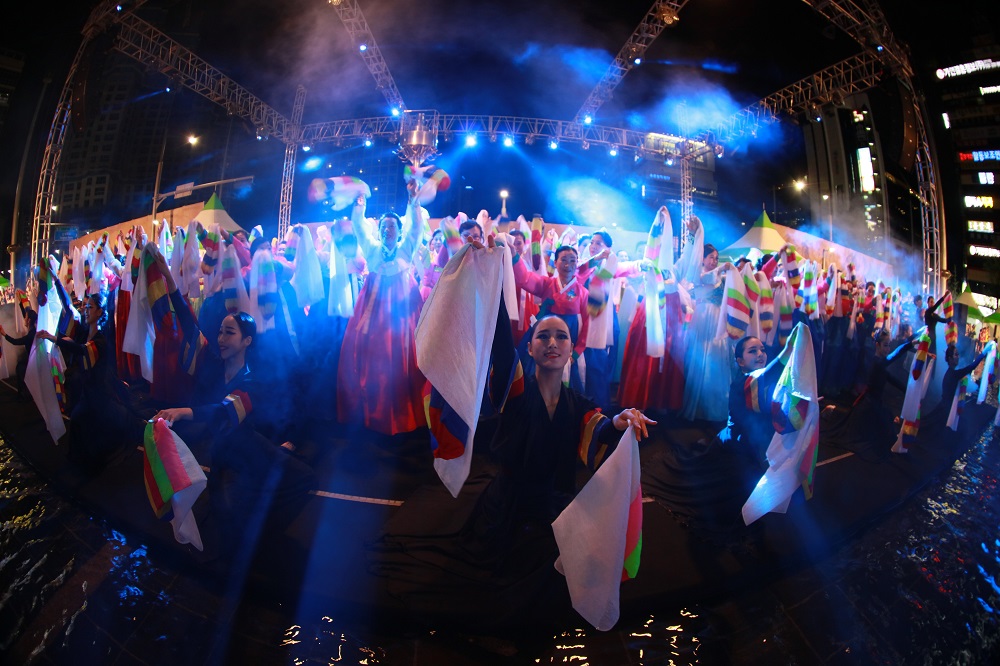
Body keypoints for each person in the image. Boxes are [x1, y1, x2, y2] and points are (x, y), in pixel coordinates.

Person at [368, 235, 655, 628]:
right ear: (530, 349)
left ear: (571, 349)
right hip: (509, 509)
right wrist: (491, 272)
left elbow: (600, 429)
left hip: (556, 506)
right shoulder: (517, 389)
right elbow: (502, 345)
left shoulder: (579, 403)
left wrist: (620, 421)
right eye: (543, 336)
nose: (552, 342)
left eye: (561, 336)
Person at [151, 265, 315, 559]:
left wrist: (183, 411)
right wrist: (168, 277)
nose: (221, 339)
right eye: (219, 332)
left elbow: (223, 412)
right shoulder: (213, 366)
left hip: (249, 449)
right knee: (226, 533)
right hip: (222, 455)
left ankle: (267, 531)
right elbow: (188, 323)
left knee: (304, 478)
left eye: (229, 333)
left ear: (247, 341)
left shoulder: (252, 380)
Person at [337, 180, 427, 436]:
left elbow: (417, 227)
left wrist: (413, 200)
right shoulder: (372, 250)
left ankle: (405, 416)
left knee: (404, 364)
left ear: (399, 231)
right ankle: (373, 414)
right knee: (374, 364)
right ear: (378, 231)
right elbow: (358, 228)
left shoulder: (406, 249)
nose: (388, 230)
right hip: (375, 321)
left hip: (402, 320)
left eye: (392, 227)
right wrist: (359, 207)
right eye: (384, 227)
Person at [35, 291, 142, 470]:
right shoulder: (85, 333)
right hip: (89, 391)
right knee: (81, 422)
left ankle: (89, 465)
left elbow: (82, 350)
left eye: (90, 307)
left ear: (100, 312)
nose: (85, 310)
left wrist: (53, 338)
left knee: (86, 422)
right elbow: (68, 309)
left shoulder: (100, 339)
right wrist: (54, 281)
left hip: (100, 393)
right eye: (85, 307)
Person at [824, 328, 916, 460]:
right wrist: (911, 344)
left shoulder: (881, 364)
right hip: (869, 404)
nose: (888, 349)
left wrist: (907, 390)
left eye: (889, 345)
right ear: (877, 345)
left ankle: (834, 410)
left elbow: (891, 379)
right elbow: (896, 354)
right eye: (885, 345)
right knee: (853, 430)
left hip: (875, 403)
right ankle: (833, 410)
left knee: (883, 429)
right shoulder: (877, 362)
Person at [1, 307, 38, 400]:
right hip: (35, 359)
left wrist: (4, 334)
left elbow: (15, 342)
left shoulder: (31, 334)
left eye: (25, 317)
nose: (24, 319)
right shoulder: (33, 331)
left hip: (35, 361)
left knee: (20, 367)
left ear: (29, 320)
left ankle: (24, 393)